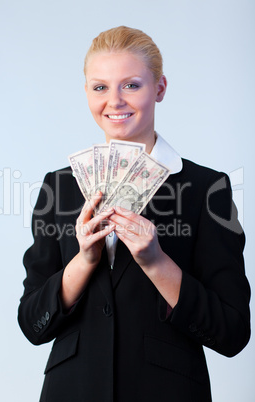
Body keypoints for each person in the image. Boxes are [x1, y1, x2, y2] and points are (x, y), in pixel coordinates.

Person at [18, 26, 251, 402]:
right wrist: (84, 260)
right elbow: (32, 324)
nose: (114, 101)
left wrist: (156, 262)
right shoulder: (59, 187)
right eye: (100, 87)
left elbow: (232, 332)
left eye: (131, 85)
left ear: (159, 88)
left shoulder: (209, 189)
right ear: (86, 93)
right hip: (71, 390)